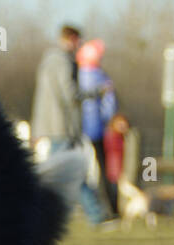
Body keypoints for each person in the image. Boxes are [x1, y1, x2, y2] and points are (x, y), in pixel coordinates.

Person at [30, 24, 109, 228]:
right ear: (72, 39)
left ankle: (91, 214)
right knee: (69, 171)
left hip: (53, 126)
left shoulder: (48, 60)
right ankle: (95, 215)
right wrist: (96, 93)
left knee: (63, 171)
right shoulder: (62, 61)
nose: (80, 46)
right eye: (79, 41)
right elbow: (70, 95)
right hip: (62, 127)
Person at [77, 40, 119, 218]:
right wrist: (108, 120)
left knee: (81, 169)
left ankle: (90, 208)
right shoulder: (101, 77)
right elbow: (110, 103)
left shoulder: (77, 74)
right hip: (98, 130)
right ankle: (111, 208)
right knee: (104, 169)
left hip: (78, 129)